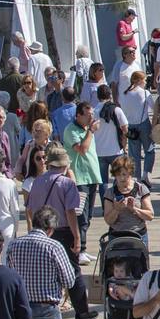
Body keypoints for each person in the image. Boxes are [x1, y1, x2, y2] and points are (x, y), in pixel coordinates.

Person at [26, 147, 93, 319]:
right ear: (64, 165)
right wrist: (77, 237)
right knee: (73, 270)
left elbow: (31, 209)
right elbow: (71, 212)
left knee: (44, 269)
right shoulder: (67, 183)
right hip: (63, 231)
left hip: (42, 230)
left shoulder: (38, 181)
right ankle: (82, 312)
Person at [62, 102, 102, 254]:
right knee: (81, 216)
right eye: (88, 115)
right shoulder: (71, 130)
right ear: (78, 115)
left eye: (92, 114)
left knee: (89, 215)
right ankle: (79, 249)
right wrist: (91, 131)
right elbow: (81, 150)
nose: (91, 118)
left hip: (91, 177)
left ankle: (82, 248)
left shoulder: (86, 129)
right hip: (79, 178)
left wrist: (89, 130)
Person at [101, 156, 153, 245]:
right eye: (118, 174)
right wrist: (116, 209)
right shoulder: (110, 193)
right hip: (116, 235)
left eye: (124, 174)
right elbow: (108, 221)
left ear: (130, 173)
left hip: (138, 234)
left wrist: (134, 209)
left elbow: (150, 216)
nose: (121, 178)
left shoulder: (141, 189)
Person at [92, 86, 128, 183]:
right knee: (119, 179)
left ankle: (105, 198)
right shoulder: (117, 110)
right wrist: (124, 145)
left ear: (98, 96)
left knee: (103, 181)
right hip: (115, 150)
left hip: (99, 151)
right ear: (110, 95)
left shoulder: (94, 111)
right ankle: (118, 197)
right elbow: (125, 129)